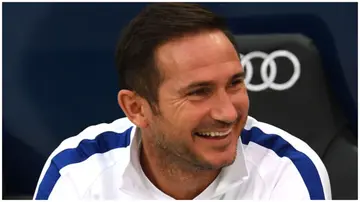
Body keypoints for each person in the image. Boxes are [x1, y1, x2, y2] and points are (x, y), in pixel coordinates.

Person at [33, 3, 331, 200]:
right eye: (199, 92)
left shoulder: (286, 170)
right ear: (136, 109)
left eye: (235, 83)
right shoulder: (77, 172)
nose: (228, 113)